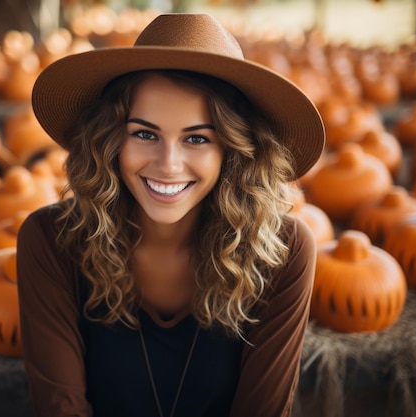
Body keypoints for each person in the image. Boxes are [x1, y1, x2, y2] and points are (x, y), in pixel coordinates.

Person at [17, 13, 325, 417]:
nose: (168, 164)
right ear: (111, 139)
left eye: (197, 138)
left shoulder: (284, 251)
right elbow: (60, 408)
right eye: (145, 133)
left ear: (233, 152)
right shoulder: (51, 239)